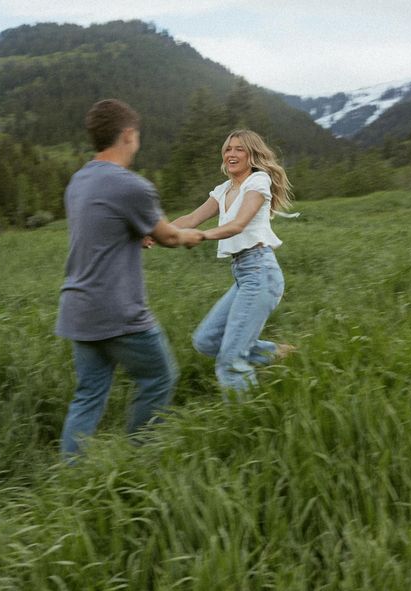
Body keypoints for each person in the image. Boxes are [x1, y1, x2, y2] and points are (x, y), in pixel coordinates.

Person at [55, 98, 204, 458]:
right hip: (117, 311)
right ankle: (140, 458)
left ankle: (70, 480)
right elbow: (168, 236)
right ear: (128, 134)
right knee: (160, 376)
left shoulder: (79, 181)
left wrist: (136, 233)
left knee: (89, 394)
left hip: (78, 308)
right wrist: (189, 237)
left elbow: (103, 228)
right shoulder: (132, 186)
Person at [172, 129, 295, 398]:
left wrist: (202, 236)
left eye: (239, 149)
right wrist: (155, 233)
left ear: (252, 155)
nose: (231, 153)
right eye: (228, 148)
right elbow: (191, 218)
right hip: (243, 274)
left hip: (260, 271)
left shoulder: (258, 181)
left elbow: (238, 225)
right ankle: (279, 354)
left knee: (230, 363)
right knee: (206, 341)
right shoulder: (224, 189)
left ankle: (249, 424)